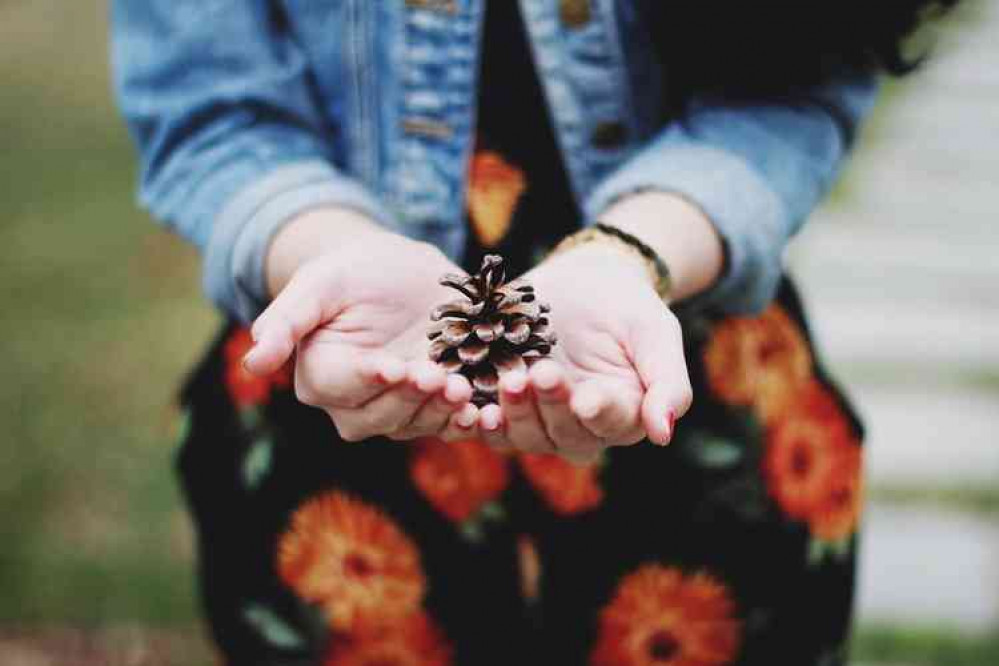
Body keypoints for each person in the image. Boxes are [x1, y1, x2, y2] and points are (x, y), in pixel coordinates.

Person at [112, 1, 955, 664]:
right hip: (341, 395)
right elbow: (211, 109)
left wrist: (628, 254)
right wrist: (336, 254)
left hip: (677, 373)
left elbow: (794, 83)